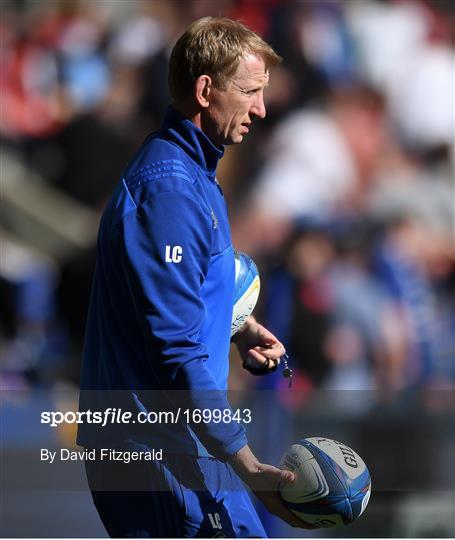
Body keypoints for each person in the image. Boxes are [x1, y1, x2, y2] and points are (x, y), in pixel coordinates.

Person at [77, 17, 311, 538]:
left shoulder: (193, 174)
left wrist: (238, 323)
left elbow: (173, 295)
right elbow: (174, 352)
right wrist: (248, 466)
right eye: (250, 91)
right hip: (166, 455)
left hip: (187, 448)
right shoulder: (170, 189)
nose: (261, 109)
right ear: (206, 90)